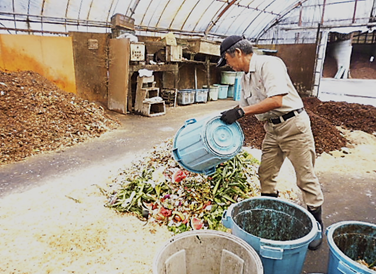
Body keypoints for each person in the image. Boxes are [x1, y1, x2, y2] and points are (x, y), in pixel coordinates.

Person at [217, 35, 324, 250]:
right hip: (272, 129)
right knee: (266, 174)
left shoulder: (270, 64)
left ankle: (317, 226)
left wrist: (240, 112)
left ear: (238, 53)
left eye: (228, 60)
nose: (229, 65)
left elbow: (276, 100)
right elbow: (246, 107)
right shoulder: (245, 77)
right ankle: (270, 214)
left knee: (305, 178)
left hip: (293, 126)